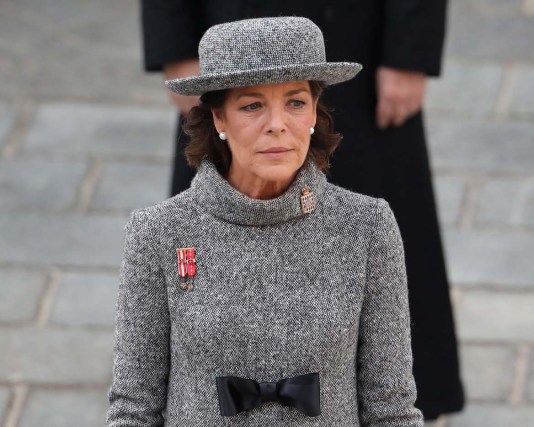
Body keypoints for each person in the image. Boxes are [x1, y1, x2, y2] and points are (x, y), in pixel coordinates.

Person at [141, 1, 465, 420]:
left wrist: (410, 48)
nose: (277, 124)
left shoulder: (369, 220)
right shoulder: (158, 230)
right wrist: (175, 43)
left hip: (353, 35)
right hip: (227, 31)